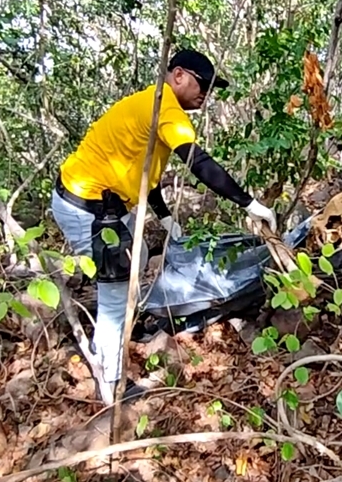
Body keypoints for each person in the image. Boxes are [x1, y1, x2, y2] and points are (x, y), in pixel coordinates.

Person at [50, 48, 277, 404]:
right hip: (87, 207)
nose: (207, 94)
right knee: (115, 294)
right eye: (204, 84)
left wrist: (167, 217)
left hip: (109, 203)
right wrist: (250, 203)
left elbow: (144, 173)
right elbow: (198, 162)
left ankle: (125, 324)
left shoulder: (151, 105)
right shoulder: (166, 107)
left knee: (136, 258)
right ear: (179, 75)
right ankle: (110, 384)